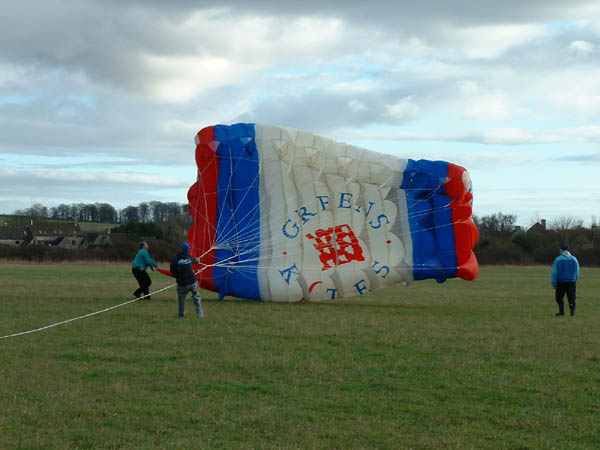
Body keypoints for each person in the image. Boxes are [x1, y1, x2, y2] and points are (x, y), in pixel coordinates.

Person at [170, 242, 203, 318]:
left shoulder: (175, 258)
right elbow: (193, 260)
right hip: (193, 282)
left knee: (181, 300)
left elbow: (172, 271)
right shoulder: (188, 256)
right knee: (196, 297)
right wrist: (197, 260)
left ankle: (181, 315)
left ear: (180, 249)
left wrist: (178, 277)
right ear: (188, 250)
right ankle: (200, 314)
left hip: (182, 284)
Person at [551, 243, 579, 316]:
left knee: (559, 297)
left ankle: (561, 311)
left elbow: (554, 272)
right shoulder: (574, 259)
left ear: (561, 250)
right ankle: (572, 312)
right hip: (571, 281)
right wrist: (575, 279)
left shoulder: (558, 259)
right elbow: (577, 271)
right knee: (571, 298)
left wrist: (553, 283)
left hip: (561, 281)